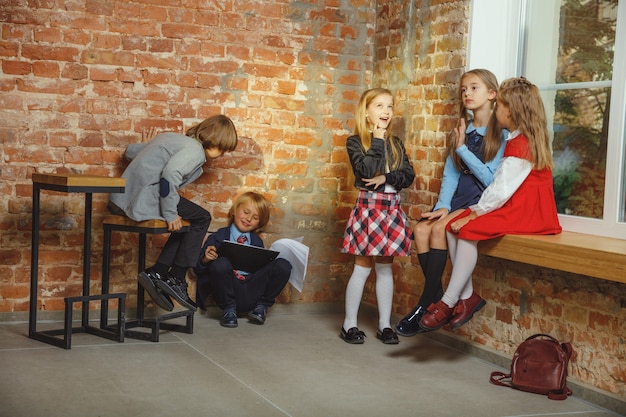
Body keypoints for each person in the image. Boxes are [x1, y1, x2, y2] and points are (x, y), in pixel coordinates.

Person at [419, 77, 562, 331]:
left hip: (526, 212)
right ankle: (467, 297)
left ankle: (449, 301)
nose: (497, 111)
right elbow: (500, 186)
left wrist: (474, 213)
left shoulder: (521, 144)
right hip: (518, 206)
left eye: (500, 106)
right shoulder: (518, 138)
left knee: (465, 229)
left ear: (512, 111)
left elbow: (500, 189)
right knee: (453, 224)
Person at [396, 69, 505, 336]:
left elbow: (491, 180)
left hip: (479, 202)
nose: (467, 93)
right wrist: (443, 204)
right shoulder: (462, 129)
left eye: (474, 88)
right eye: (464, 89)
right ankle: (434, 298)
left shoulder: (500, 134)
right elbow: (451, 174)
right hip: (456, 200)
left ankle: (427, 305)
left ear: (492, 94)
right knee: (420, 230)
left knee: (437, 230)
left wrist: (462, 149)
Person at [109, 115, 238, 312]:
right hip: (141, 197)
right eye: (222, 147)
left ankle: (159, 273)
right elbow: (169, 176)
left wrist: (148, 145)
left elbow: (130, 152)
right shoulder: (195, 151)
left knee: (189, 223)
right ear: (213, 139)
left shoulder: (171, 138)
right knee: (202, 218)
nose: (222, 153)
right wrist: (170, 214)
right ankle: (176, 277)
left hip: (121, 197)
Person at [340, 87, 416, 345]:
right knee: (362, 267)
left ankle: (384, 324)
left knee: (385, 267)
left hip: (391, 209)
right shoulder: (355, 141)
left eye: (390, 106)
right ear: (366, 112)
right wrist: (377, 140)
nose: (386, 111)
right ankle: (349, 323)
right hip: (369, 209)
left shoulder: (396, 143)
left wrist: (387, 177)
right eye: (379, 106)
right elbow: (366, 171)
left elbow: (408, 175)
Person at [193, 191, 292, 328]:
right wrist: (205, 259)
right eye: (246, 212)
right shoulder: (217, 237)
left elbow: (260, 272)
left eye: (255, 217)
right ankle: (229, 311)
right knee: (220, 263)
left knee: (283, 265)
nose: (249, 219)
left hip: (252, 291)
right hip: (228, 292)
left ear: (259, 223)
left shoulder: (257, 242)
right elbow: (197, 269)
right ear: (234, 210)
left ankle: (261, 307)